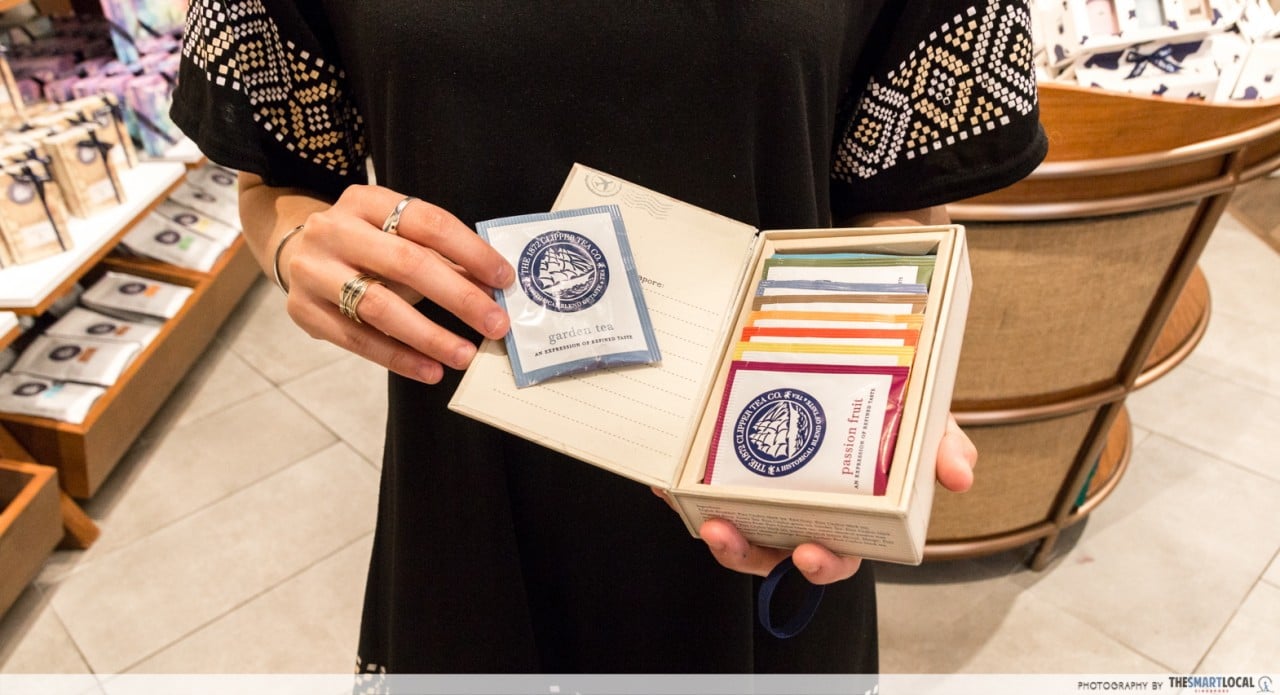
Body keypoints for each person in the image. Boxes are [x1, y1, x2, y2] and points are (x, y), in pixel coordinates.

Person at [172, 0, 1046, 678]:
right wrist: (296, 245)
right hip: (467, 507)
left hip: (763, 498)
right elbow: (271, 175)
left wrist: (881, 379)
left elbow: (894, 189)